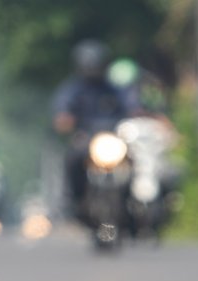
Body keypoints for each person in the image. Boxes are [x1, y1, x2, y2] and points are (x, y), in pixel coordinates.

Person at [52, 40, 136, 220]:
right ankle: (75, 199)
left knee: (136, 160)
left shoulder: (114, 89)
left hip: (113, 140)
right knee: (73, 158)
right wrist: (65, 120)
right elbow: (62, 112)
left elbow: (131, 108)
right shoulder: (72, 90)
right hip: (87, 140)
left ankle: (134, 202)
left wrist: (140, 115)